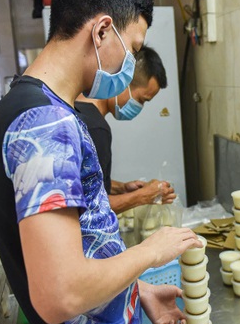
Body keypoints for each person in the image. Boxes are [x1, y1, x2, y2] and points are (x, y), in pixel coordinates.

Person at [0, 0, 202, 324]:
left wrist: (134, 293)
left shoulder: (43, 109)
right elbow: (60, 293)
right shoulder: (45, 125)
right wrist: (151, 253)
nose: (132, 61)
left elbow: (80, 247)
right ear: (101, 32)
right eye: (133, 48)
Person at [75, 46, 175, 214]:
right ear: (123, 81)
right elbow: (92, 207)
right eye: (141, 100)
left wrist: (121, 188)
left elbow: (82, 183)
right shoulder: (95, 128)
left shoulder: (77, 109)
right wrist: (144, 196)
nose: (139, 108)